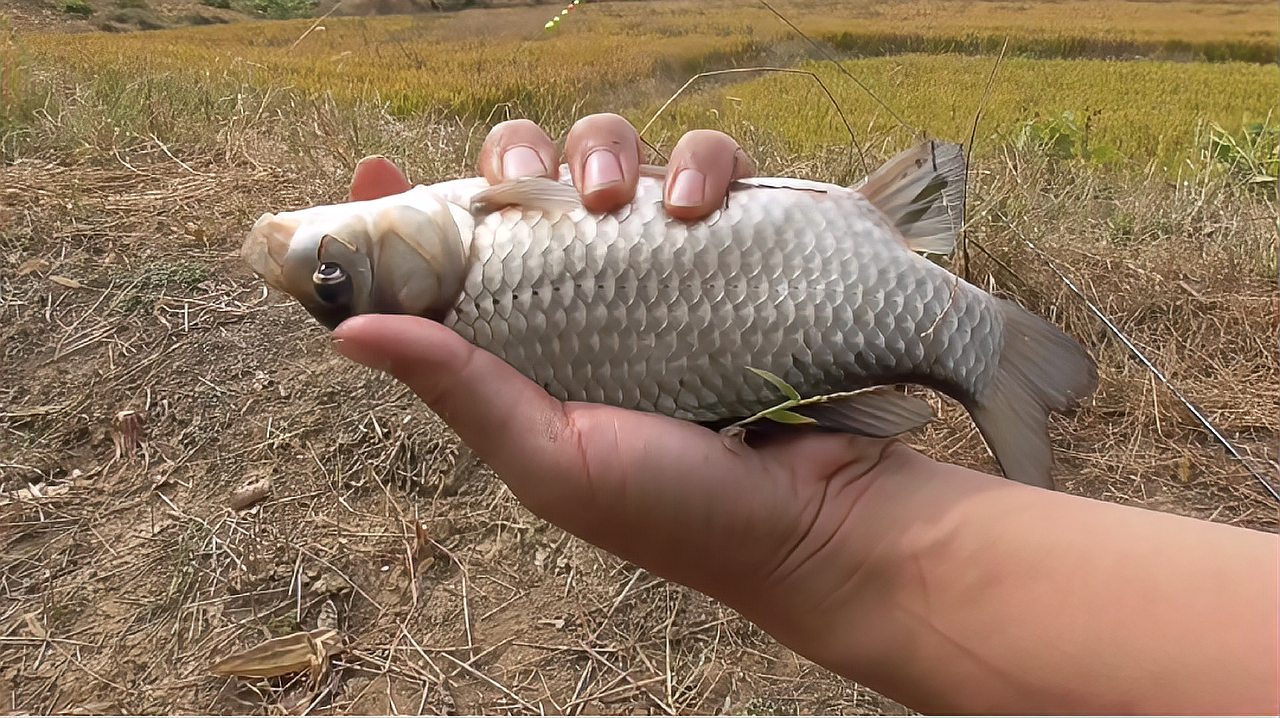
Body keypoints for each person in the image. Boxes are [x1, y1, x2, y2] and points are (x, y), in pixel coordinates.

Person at [331, 113, 1280, 715]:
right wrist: (812, 535)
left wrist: (825, 536)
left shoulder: (464, 247)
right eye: (330, 274)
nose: (319, 253)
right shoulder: (464, 273)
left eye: (331, 266)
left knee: (691, 201)